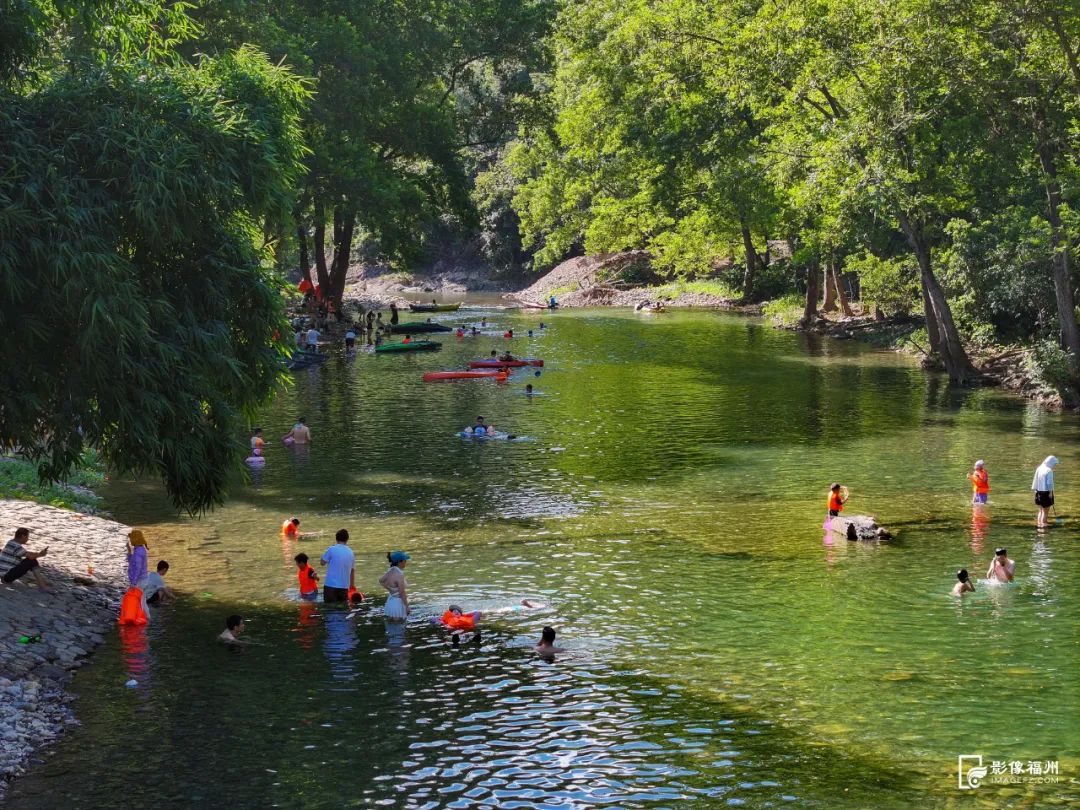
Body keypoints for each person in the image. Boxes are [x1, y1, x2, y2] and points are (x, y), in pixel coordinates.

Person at [320, 529, 355, 603]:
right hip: (344, 587)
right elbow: (352, 571)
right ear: (347, 539)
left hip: (330, 586)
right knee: (342, 610)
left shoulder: (331, 549)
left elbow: (322, 563)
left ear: (336, 539)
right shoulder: (351, 552)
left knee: (329, 609)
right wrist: (352, 586)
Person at [379, 551, 410, 620]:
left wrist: (390, 589)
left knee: (392, 628)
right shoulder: (399, 574)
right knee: (399, 628)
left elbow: (380, 580)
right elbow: (402, 593)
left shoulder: (390, 570)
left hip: (390, 603)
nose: (406, 563)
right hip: (397, 604)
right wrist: (407, 607)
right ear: (399, 562)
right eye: (405, 561)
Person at [1032, 455, 1058, 527]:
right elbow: (1049, 483)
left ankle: (1039, 526)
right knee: (1045, 512)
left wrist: (1035, 491)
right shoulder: (1049, 470)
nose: (1054, 466)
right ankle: (1043, 528)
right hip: (1046, 493)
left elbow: (1035, 480)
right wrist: (1050, 493)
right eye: (1054, 464)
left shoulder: (1039, 468)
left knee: (1040, 511)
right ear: (1051, 462)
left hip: (1038, 492)